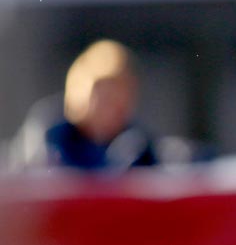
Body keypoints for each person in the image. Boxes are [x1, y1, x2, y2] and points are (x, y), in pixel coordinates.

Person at [10, 39, 159, 171]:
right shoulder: (49, 137)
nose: (109, 109)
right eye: (102, 96)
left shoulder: (137, 146)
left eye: (118, 97)